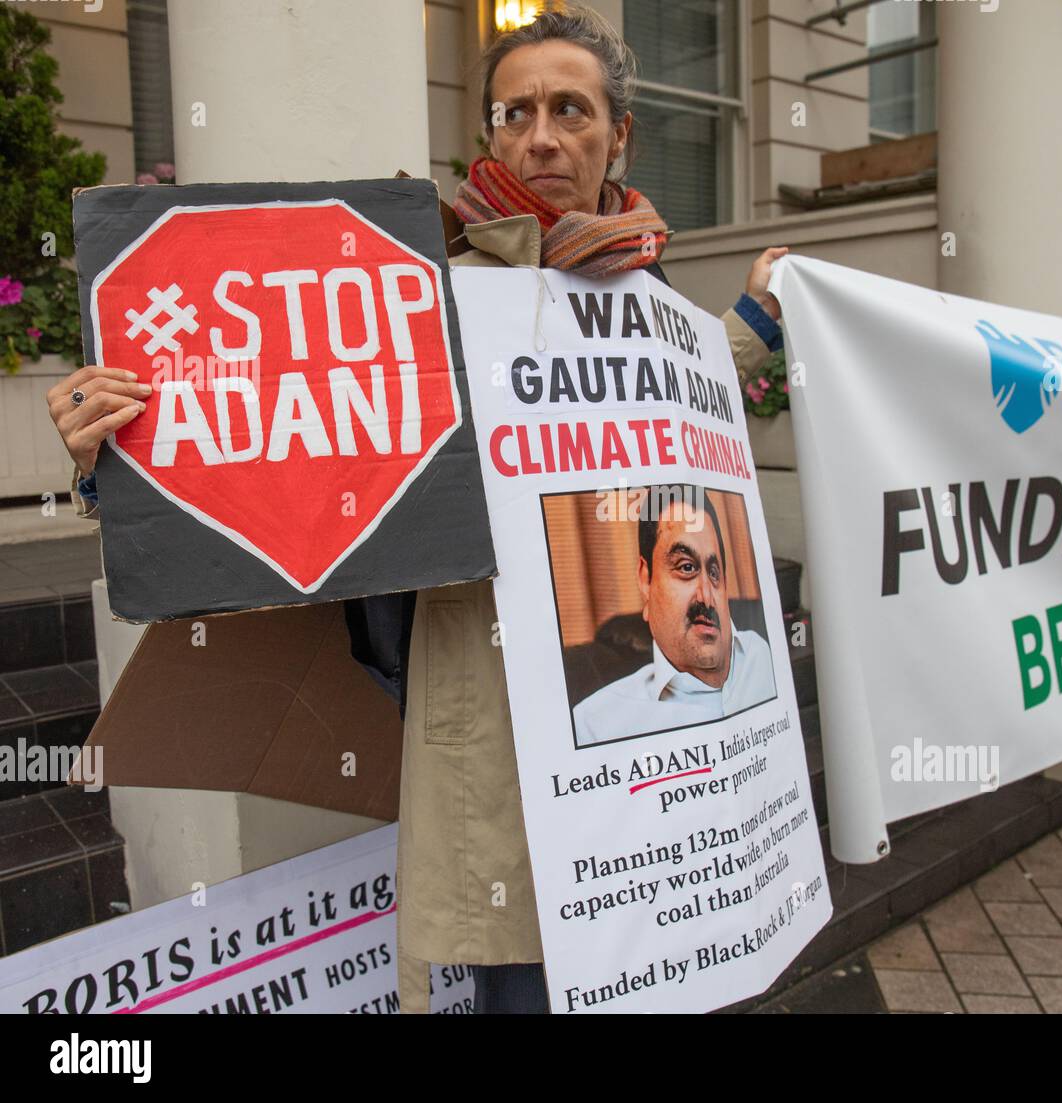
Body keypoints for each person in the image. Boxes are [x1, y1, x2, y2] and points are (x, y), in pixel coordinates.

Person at [48, 6, 790, 1013]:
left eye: (570, 109)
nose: (539, 135)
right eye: (513, 111)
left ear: (619, 135)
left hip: (641, 739)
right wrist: (114, 462)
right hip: (490, 711)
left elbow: (681, 412)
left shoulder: (645, 287)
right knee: (525, 973)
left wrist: (755, 320)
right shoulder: (419, 292)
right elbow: (270, 430)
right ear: (487, 132)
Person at [573, 485, 775, 748]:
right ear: (646, 579)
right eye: (686, 567)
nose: (707, 596)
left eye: (714, 573)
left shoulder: (763, 657)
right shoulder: (596, 725)